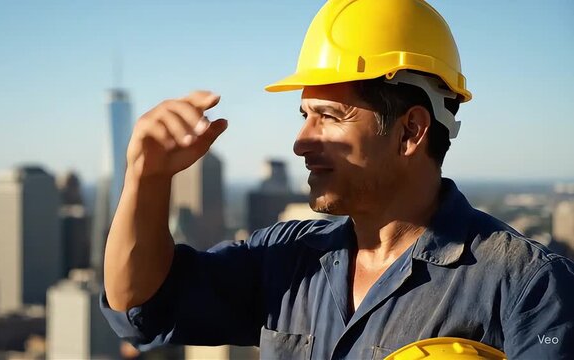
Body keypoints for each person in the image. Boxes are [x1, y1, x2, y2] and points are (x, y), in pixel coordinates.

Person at [100, 0, 574, 359]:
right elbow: (141, 308)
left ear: (410, 130)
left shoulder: (525, 285)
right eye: (304, 114)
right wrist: (146, 176)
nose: (301, 141)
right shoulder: (287, 259)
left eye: (329, 116)